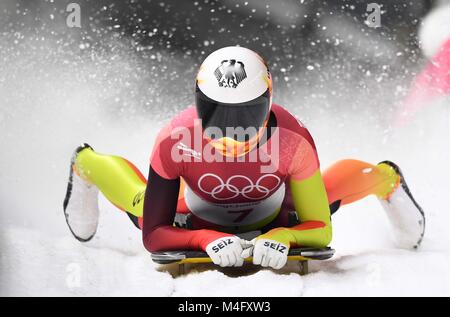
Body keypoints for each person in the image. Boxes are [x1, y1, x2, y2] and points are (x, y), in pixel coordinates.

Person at [63, 46, 425, 270]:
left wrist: (284, 234)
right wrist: (203, 239)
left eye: (245, 114)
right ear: (198, 103)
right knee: (142, 205)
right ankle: (86, 162)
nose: (229, 130)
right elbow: (154, 234)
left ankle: (385, 177)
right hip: (198, 210)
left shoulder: (293, 140)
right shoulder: (173, 140)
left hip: (276, 208)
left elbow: (321, 229)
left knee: (325, 192)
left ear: (267, 102)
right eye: (216, 113)